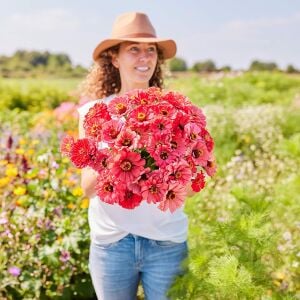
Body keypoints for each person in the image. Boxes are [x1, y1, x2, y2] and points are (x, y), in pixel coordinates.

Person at [77, 12, 192, 300]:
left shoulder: (175, 110)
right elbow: (89, 188)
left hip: (166, 243)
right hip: (112, 245)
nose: (145, 57)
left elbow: (188, 187)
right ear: (114, 58)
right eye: (134, 49)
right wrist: (123, 144)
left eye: (150, 49)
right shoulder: (94, 114)